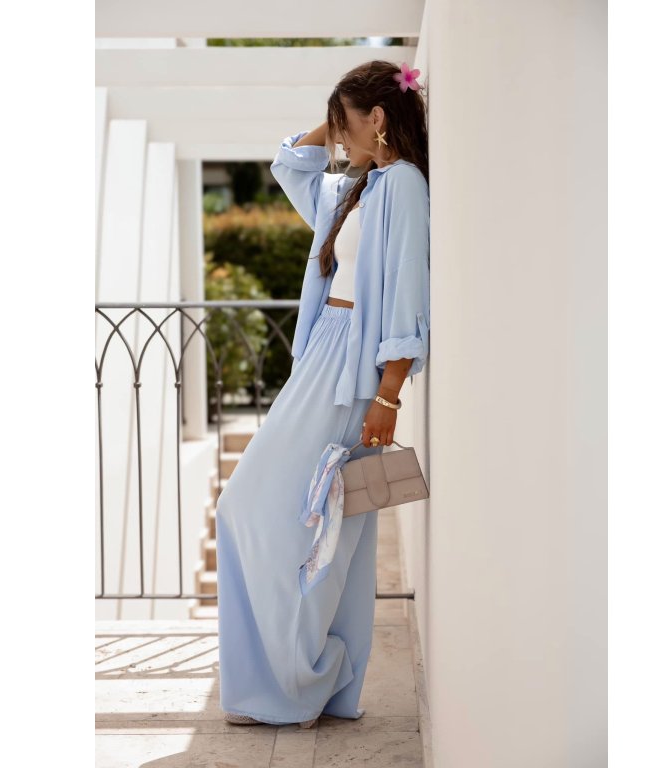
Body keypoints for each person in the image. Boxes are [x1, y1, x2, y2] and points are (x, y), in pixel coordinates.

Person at [215, 60, 431, 728]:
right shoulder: (356, 189)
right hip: (322, 359)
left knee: (305, 523)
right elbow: (291, 166)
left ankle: (305, 679)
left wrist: (388, 394)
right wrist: (341, 117)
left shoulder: (404, 186)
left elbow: (407, 292)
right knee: (278, 515)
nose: (336, 138)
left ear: (379, 119)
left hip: (353, 372)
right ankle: (308, 676)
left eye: (346, 123)